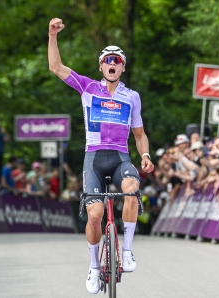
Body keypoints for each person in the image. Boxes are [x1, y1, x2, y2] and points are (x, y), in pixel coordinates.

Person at [48, 18, 155, 294]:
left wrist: (144, 155)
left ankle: (128, 250)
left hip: (120, 157)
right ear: (100, 66)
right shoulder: (87, 87)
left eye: (117, 60)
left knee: (132, 188)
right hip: (94, 158)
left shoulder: (132, 96)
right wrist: (52, 35)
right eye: (107, 59)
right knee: (94, 215)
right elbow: (55, 67)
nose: (112, 63)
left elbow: (140, 134)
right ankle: (94, 267)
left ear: (122, 67)